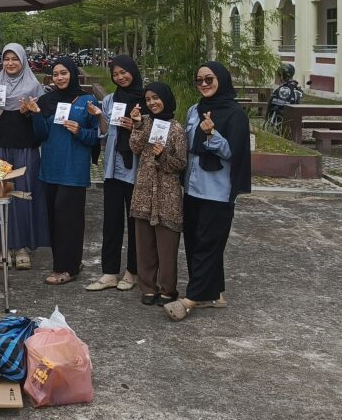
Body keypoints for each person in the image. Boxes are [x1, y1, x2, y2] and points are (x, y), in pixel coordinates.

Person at [164, 61, 252, 322]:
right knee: (193, 241)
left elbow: (233, 152)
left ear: (221, 80)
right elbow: (188, 144)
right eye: (199, 80)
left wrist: (212, 134)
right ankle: (214, 294)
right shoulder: (195, 109)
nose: (203, 84)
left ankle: (192, 298)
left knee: (208, 244)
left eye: (209, 79)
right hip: (192, 187)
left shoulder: (235, 115)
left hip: (217, 191)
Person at [26, 56, 99, 285]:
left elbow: (96, 137)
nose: (59, 78)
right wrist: (36, 114)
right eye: (56, 74)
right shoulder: (47, 100)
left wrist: (79, 131)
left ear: (72, 74)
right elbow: (41, 134)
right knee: (54, 220)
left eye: (64, 73)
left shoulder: (87, 100)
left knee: (69, 221)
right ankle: (64, 263)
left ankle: (67, 269)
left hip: (74, 170)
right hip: (50, 168)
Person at [0, 43, 48, 270]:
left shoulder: (34, 86)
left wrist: (30, 113)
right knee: (1, 194)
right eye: (7, 59)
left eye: (15, 59)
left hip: (26, 148)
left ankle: (22, 247)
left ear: (23, 61)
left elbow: (41, 121)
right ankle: (3, 246)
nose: (10, 63)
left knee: (23, 196)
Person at [84, 55, 147, 292]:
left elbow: (153, 134)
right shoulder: (111, 99)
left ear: (133, 71)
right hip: (112, 168)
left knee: (135, 223)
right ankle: (109, 272)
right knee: (111, 221)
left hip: (136, 170)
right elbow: (105, 131)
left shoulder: (146, 99)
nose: (120, 77)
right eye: (116, 74)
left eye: (124, 72)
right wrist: (99, 115)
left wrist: (137, 126)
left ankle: (132, 271)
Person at [128, 82, 187, 306]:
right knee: (144, 244)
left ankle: (167, 289)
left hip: (167, 194)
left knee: (167, 246)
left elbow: (181, 163)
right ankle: (148, 288)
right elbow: (135, 147)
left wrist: (162, 156)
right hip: (144, 191)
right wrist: (137, 124)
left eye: (156, 98)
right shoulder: (145, 123)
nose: (152, 103)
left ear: (166, 98)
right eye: (148, 99)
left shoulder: (177, 129)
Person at [265, 63, 303, 129]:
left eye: (282, 75)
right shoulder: (281, 87)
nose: (280, 77)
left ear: (285, 76)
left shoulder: (294, 89)